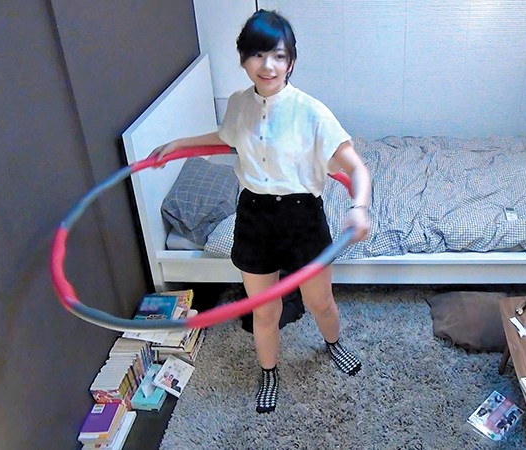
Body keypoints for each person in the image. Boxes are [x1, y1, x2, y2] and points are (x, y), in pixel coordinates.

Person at [150, 10, 371, 414]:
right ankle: (268, 372)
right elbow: (226, 137)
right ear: (243, 58)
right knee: (264, 311)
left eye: (278, 56)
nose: (267, 65)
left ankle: (334, 343)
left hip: (303, 218)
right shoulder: (239, 105)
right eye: (257, 54)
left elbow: (356, 168)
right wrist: (180, 144)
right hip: (255, 217)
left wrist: (359, 208)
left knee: (321, 303)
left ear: (291, 62)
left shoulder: (312, 112)